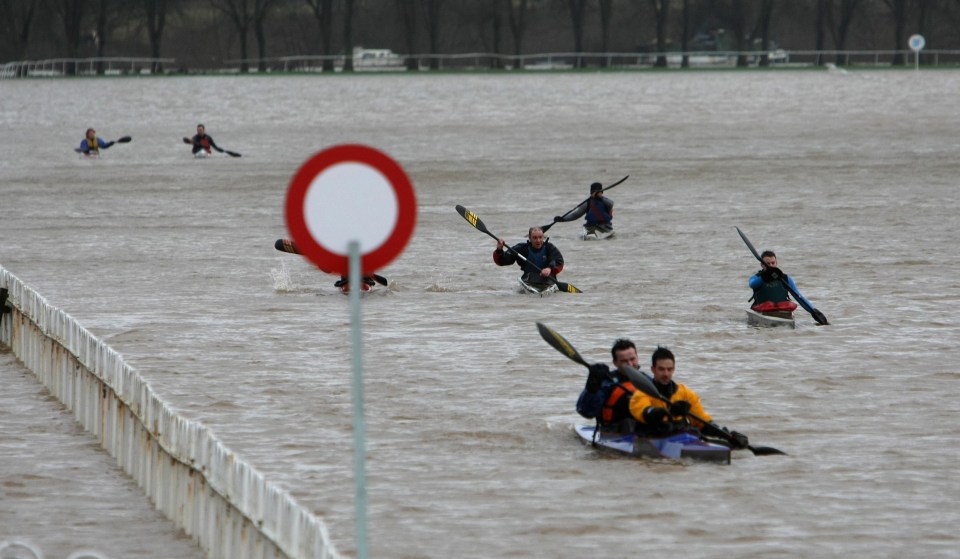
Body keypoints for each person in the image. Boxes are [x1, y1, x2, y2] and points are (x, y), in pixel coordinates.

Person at [626, 346, 749, 449]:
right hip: (653, 437)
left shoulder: (685, 393)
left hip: (679, 437)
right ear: (653, 369)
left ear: (674, 369)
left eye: (669, 369)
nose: (666, 374)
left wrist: (728, 435)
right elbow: (646, 413)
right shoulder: (641, 393)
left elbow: (702, 422)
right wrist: (668, 412)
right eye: (661, 369)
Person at [576, 338, 643, 433]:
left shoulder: (647, 380)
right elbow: (586, 412)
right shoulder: (606, 383)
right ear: (615, 363)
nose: (630, 364)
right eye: (624, 361)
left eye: (632, 359)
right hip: (613, 433)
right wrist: (592, 386)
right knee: (628, 423)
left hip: (643, 431)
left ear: (637, 357)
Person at [748, 249, 815, 316]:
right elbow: (752, 284)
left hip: (782, 309)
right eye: (768, 264)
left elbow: (799, 297)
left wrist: (813, 311)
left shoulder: (785, 278)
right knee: (769, 305)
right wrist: (764, 277)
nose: (771, 265)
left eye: (773, 263)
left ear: (776, 262)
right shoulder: (756, 277)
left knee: (786, 304)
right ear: (762, 265)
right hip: (763, 309)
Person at [493, 226, 564, 286]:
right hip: (529, 281)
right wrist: (499, 249)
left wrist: (549, 269)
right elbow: (501, 261)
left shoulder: (549, 247)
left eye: (540, 237)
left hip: (548, 280)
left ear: (543, 237)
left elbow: (559, 262)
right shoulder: (522, 248)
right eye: (535, 238)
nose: (538, 240)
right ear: (530, 238)